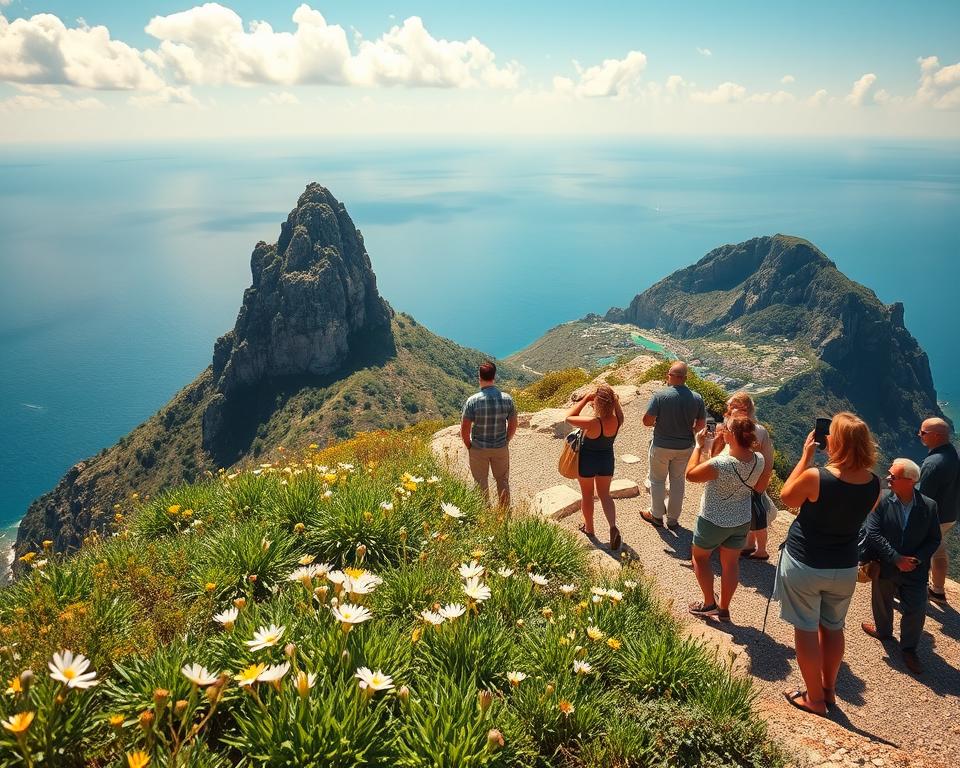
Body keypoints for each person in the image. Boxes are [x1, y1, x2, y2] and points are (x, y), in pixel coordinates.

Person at [776, 412, 880, 717]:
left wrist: (805, 457)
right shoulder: (873, 484)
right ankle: (829, 690)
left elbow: (786, 497)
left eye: (831, 434)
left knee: (806, 629)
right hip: (845, 566)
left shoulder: (817, 476)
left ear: (840, 442)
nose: (827, 438)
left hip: (806, 563)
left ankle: (814, 699)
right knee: (833, 628)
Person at [860, 458, 941, 675]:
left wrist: (917, 559)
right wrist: (896, 558)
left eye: (893, 476)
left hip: (915, 569)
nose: (888, 479)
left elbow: (934, 539)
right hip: (886, 565)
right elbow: (872, 531)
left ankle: (908, 649)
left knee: (916, 607)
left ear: (910, 481)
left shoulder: (929, 506)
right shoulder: (884, 501)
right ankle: (884, 631)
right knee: (881, 599)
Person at [685, 415, 767, 621]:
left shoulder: (720, 465)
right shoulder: (759, 459)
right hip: (741, 520)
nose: (722, 428)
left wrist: (697, 446)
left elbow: (691, 474)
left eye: (726, 428)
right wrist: (724, 441)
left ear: (732, 435)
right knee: (730, 564)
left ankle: (708, 603)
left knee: (700, 557)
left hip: (713, 519)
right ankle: (724, 608)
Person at [640, 361, 707, 529]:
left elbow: (647, 421)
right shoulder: (697, 398)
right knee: (677, 482)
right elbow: (700, 427)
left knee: (657, 480)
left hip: (661, 445)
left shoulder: (660, 396)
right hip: (685, 447)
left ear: (669, 376)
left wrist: (659, 422)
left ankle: (656, 516)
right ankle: (672, 520)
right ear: (685, 378)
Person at [712, 391, 775, 559]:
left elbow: (764, 463)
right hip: (745, 479)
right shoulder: (738, 426)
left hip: (746, 480)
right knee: (750, 513)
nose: (728, 410)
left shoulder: (757, 431)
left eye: (732, 406)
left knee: (748, 513)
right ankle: (747, 545)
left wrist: (760, 487)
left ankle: (748, 547)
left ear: (744, 408)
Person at [565, 384, 625, 550]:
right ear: (612, 403)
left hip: (587, 461)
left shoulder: (592, 422)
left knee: (587, 495)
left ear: (597, 403)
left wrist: (585, 399)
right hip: (606, 460)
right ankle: (613, 527)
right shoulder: (618, 420)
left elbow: (569, 417)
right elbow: (618, 410)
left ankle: (589, 528)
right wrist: (615, 400)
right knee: (605, 495)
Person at [460, 361, 518, 507]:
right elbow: (513, 424)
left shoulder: (472, 401)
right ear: (494, 377)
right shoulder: (507, 399)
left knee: (480, 483)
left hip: (479, 449)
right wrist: (506, 441)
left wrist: (470, 446)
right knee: (502, 481)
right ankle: (503, 514)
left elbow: (465, 429)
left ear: (479, 377)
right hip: (500, 447)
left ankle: (485, 515)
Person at [916, 417, 960, 605]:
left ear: (936, 436)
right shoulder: (953, 453)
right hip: (950, 514)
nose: (919, 435)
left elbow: (922, 498)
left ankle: (915, 589)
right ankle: (938, 591)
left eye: (923, 432)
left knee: (920, 550)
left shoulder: (933, 463)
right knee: (938, 550)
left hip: (933, 517)